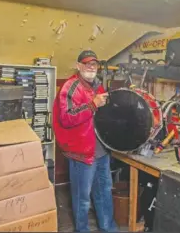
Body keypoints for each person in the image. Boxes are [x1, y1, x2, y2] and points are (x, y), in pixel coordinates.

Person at [53, 50, 118, 232]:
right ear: (78, 66)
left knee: (104, 193)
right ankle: (82, 230)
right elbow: (66, 118)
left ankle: (108, 228)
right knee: (82, 199)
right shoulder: (70, 87)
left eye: (94, 64)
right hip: (82, 153)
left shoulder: (98, 86)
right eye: (87, 63)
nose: (91, 66)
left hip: (102, 151)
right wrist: (92, 104)